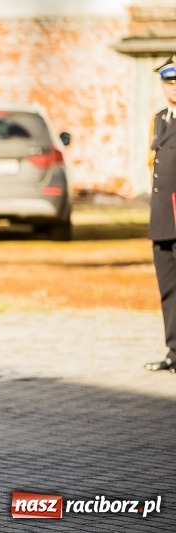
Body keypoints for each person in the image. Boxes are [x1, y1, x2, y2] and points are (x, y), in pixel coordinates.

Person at [145, 54, 176, 374]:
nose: (175, 88)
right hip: (163, 216)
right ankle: (174, 351)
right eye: (170, 81)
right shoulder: (159, 119)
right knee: (169, 287)